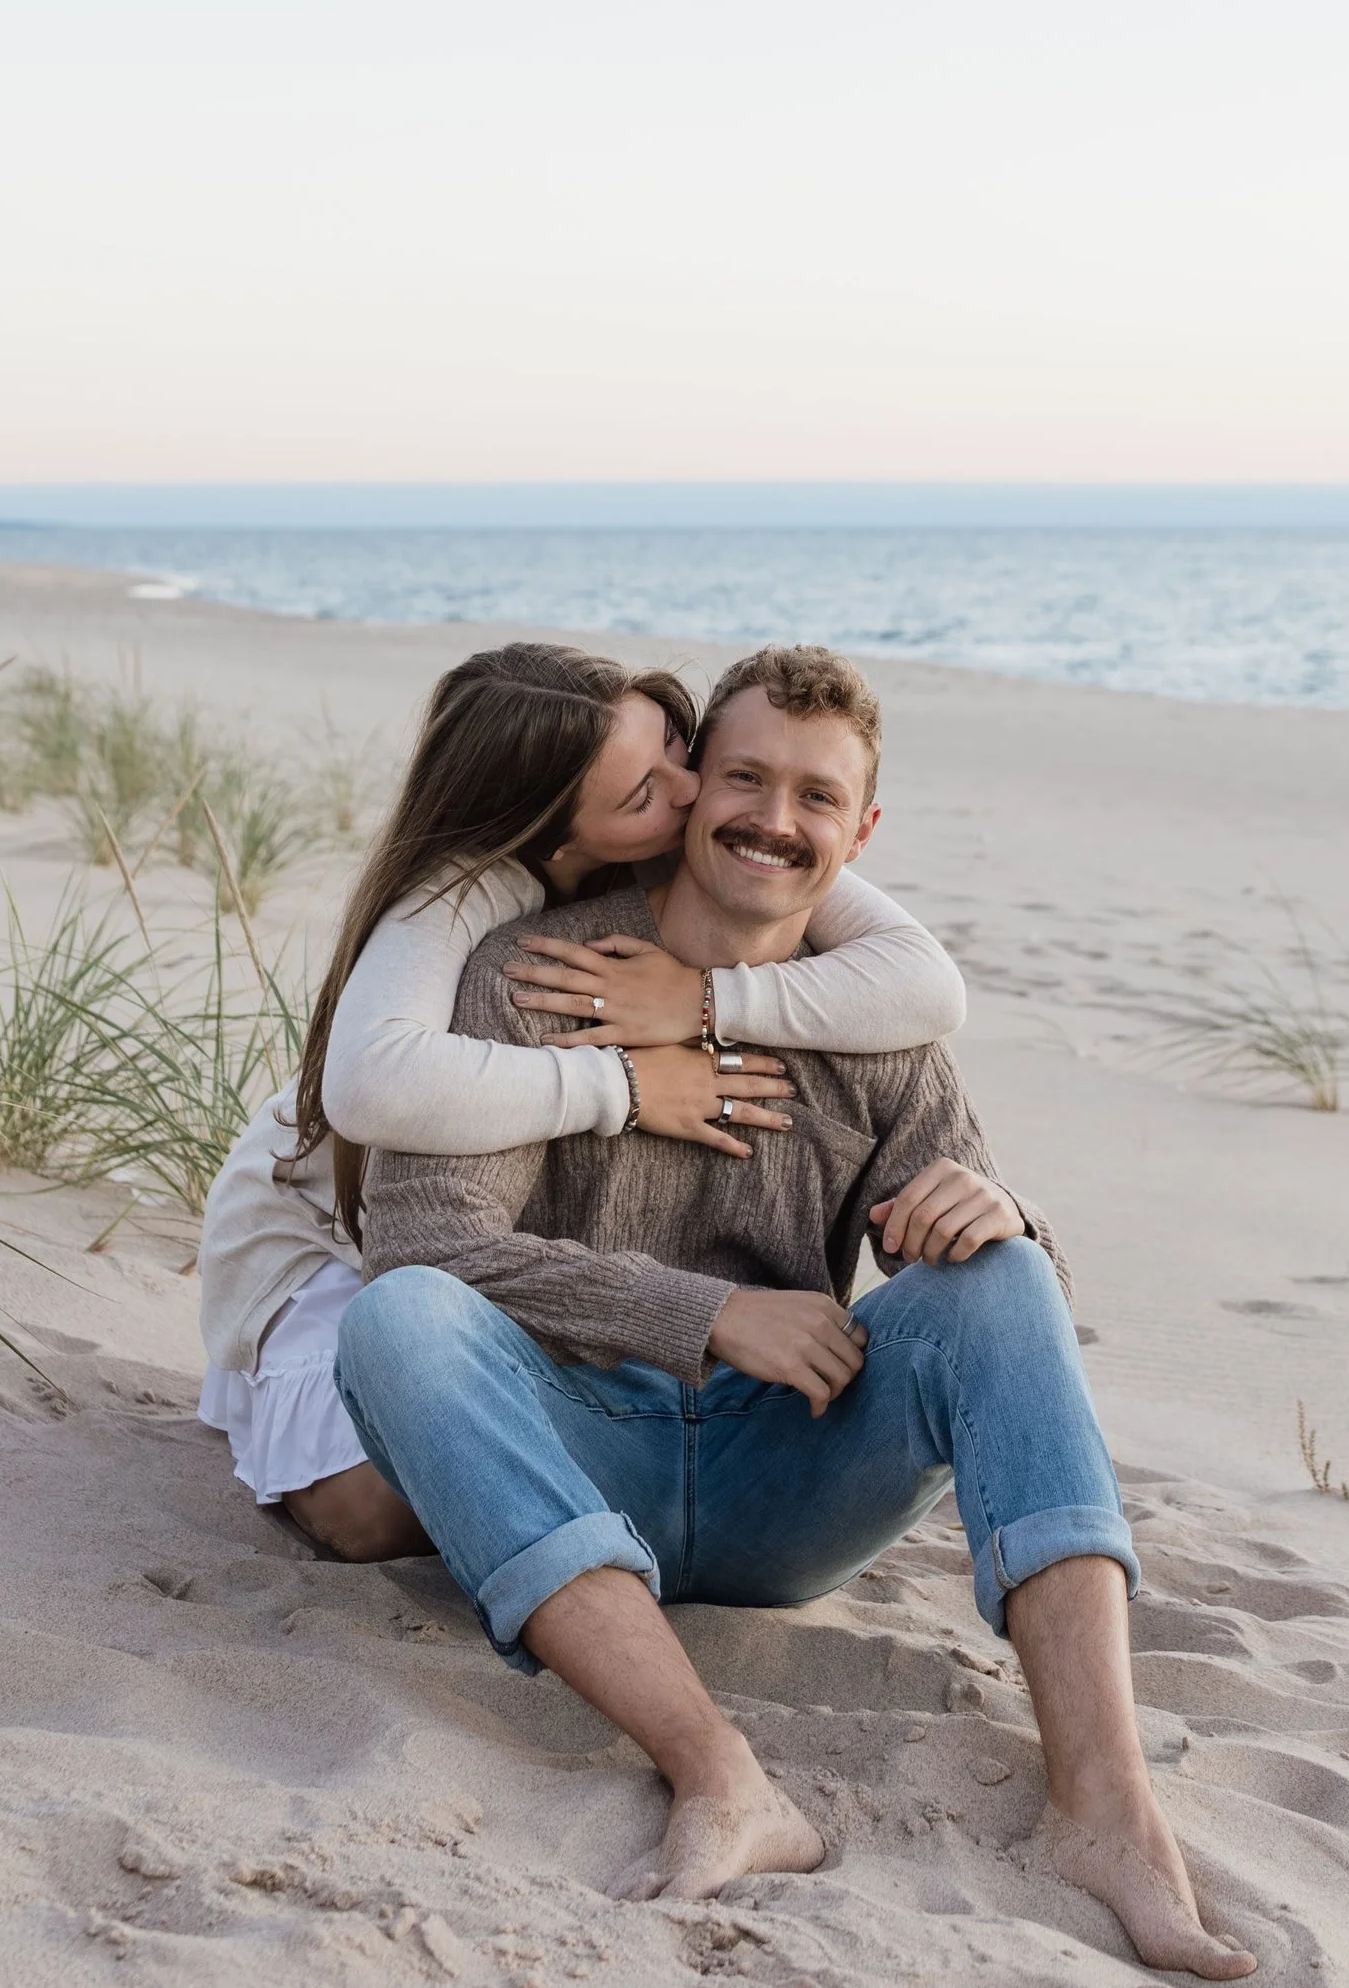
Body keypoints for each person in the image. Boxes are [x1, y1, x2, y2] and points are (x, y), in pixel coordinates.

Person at [336, 643, 1255, 1983]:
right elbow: (425, 1241)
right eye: (749, 777)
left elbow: (974, 1280)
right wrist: (704, 1310)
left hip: (794, 1474)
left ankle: (1106, 1811)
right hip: (584, 1443)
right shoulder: (529, 972)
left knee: (1005, 1270)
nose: (777, 818)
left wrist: (991, 1211)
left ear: (861, 830)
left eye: (818, 797)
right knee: (397, 1320)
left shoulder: (878, 1021)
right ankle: (721, 1773)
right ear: (696, 782)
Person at [195, 639, 966, 1559]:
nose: (690, 793)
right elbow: (367, 1088)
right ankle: (270, 1406)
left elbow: (927, 986)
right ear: (559, 833)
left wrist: (705, 999)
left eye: (679, 753)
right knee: (380, 1515)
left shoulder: (731, 839)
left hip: (444, 1213)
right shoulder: (470, 891)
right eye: (646, 792)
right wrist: (626, 1087)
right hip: (325, 1216)